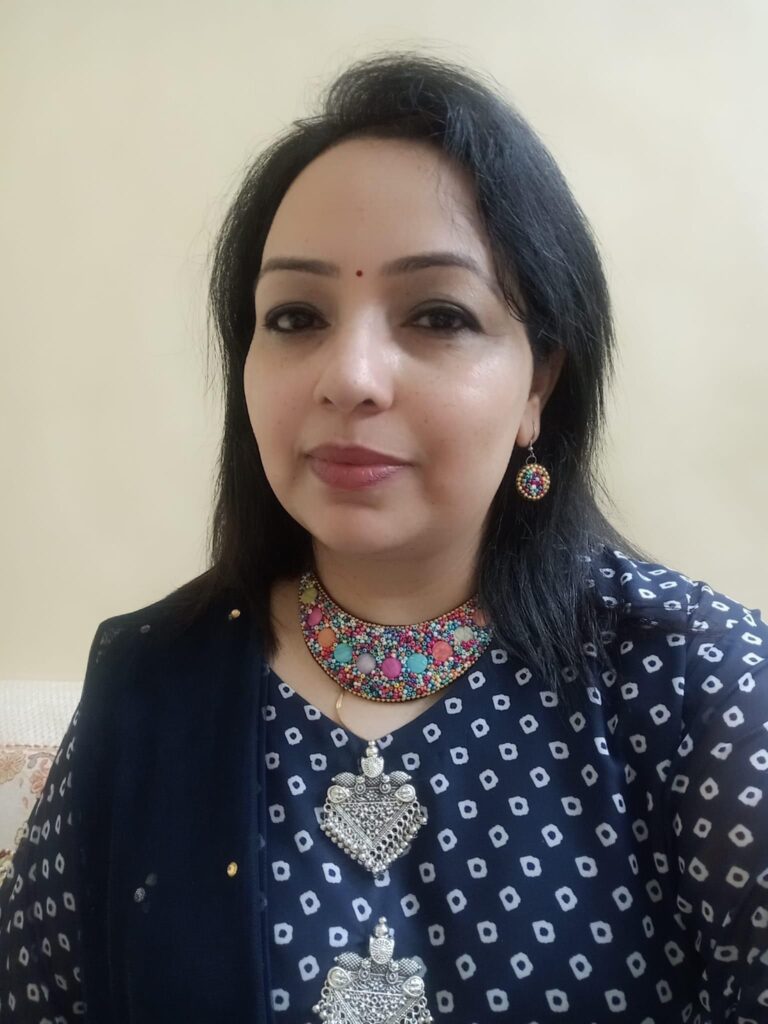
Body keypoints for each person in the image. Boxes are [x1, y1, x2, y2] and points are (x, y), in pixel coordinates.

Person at [1, 50, 766, 1024]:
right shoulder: (150, 682)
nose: (350, 376)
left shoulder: (698, 682)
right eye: (296, 316)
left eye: (438, 314)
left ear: (538, 382)